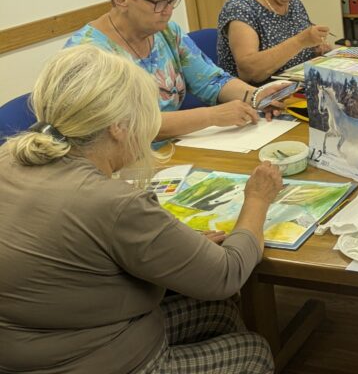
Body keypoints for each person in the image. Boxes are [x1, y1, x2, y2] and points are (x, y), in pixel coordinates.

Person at [0, 45, 281, 374]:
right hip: (90, 360)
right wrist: (258, 198)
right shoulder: (113, 202)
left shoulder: (8, 158)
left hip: (35, 344)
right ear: (118, 126)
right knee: (253, 352)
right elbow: (227, 274)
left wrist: (176, 246)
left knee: (218, 313)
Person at [66, 0, 287, 140]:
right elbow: (126, 126)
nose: (168, 11)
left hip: (175, 148)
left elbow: (211, 80)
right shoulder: (87, 54)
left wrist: (257, 96)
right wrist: (211, 116)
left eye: (172, 0)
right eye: (159, 2)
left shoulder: (167, 32)